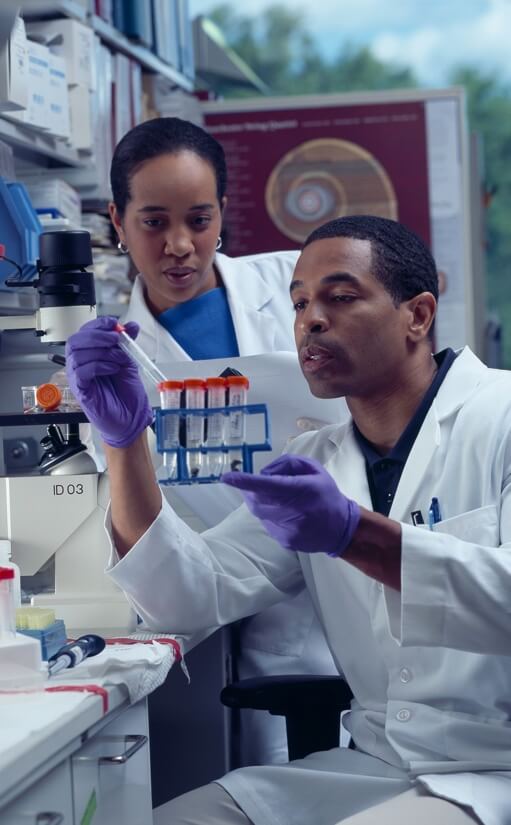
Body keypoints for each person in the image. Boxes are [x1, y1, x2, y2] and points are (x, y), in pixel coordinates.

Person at [64, 214, 511, 825]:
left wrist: (358, 536)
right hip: (375, 765)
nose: (311, 320)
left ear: (419, 314)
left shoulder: (502, 418)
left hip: (493, 772)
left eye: (341, 297)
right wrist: (125, 443)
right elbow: (189, 594)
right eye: (300, 303)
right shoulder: (314, 461)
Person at [103, 116, 339, 765]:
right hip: (221, 593)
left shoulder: (293, 286)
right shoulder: (115, 357)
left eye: (199, 219)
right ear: (116, 221)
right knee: (262, 768)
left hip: (342, 570)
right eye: (153, 221)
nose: (179, 244)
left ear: (223, 214)